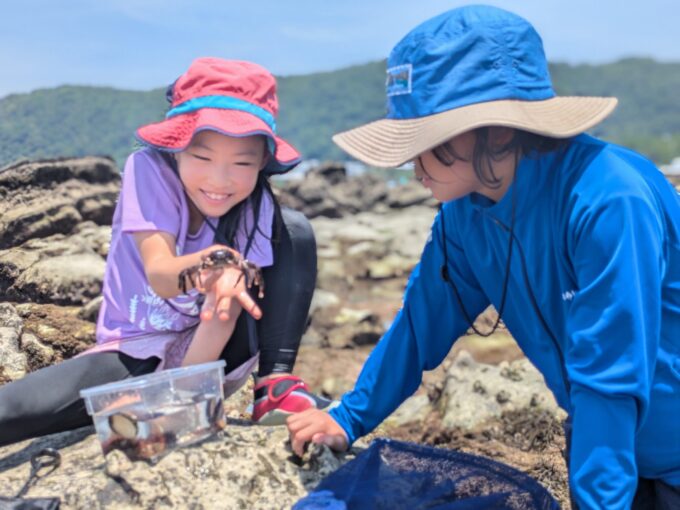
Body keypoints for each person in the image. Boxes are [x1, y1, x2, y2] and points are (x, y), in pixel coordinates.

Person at [287, 6, 680, 509]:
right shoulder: (465, 216)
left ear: (497, 132)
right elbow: (419, 326)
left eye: (424, 141)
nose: (411, 163)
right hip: (610, 450)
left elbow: (609, 380)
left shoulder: (607, 199)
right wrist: (347, 417)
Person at [0, 57, 331, 446]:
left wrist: (183, 402)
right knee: (15, 410)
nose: (219, 180)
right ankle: (142, 414)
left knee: (293, 228)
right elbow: (161, 274)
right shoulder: (148, 169)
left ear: (262, 162)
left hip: (215, 356)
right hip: (134, 349)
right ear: (176, 147)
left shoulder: (253, 205)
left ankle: (272, 385)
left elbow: (222, 317)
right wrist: (218, 262)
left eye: (242, 162)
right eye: (202, 157)